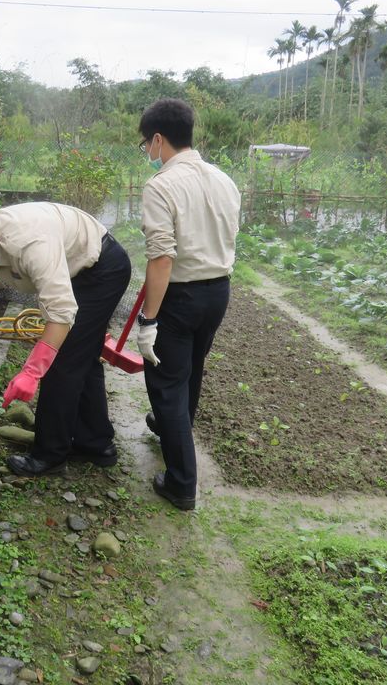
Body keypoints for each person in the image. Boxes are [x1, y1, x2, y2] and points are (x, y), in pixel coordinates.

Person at [0, 203, 131, 477]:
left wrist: (31, 373)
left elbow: (61, 313)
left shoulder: (30, 243)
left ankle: (50, 455)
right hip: (74, 269)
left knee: (62, 362)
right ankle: (95, 444)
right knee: (81, 357)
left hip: (100, 270)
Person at [136, 98, 241, 510]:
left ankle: (181, 483)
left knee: (166, 385)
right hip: (218, 291)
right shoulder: (223, 179)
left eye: (147, 144)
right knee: (190, 372)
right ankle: (172, 431)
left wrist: (149, 320)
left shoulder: (161, 184)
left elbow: (162, 257)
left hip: (180, 295)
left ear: (159, 139)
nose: (148, 152)